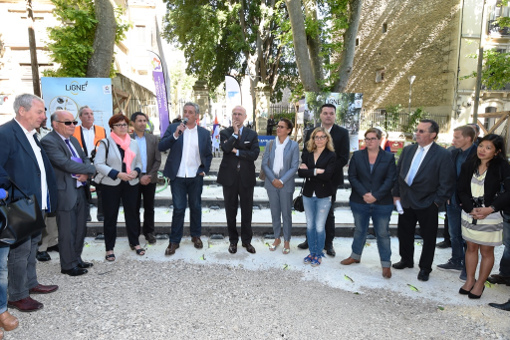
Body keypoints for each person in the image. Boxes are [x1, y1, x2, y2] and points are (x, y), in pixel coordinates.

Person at [0, 93, 58, 314]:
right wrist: (8, 193)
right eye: (40, 111)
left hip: (37, 201)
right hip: (20, 203)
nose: (44, 116)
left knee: (33, 245)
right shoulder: (6, 133)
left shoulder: (32, 135)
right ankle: (17, 295)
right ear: (22, 111)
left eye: (43, 112)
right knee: (20, 251)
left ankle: (30, 283)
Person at [392, 119, 455, 281]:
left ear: (433, 135)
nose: (417, 133)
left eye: (421, 131)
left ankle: (425, 267)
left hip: (428, 203)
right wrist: (396, 194)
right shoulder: (407, 150)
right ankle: (406, 260)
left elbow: (447, 181)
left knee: (428, 237)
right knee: (404, 232)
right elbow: (398, 174)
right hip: (405, 201)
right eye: (417, 130)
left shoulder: (443, 154)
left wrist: (436, 202)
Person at [41, 111, 97, 276]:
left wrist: (87, 172)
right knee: (67, 230)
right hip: (65, 193)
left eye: (73, 122)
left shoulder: (73, 139)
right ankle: (67, 265)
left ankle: (76, 259)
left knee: (80, 228)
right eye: (68, 122)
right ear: (55, 124)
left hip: (80, 189)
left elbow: (84, 158)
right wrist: (92, 169)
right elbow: (65, 164)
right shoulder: (48, 141)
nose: (73, 125)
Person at [457, 134, 510, 299]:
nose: (483, 150)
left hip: (491, 215)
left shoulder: (502, 166)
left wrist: (490, 209)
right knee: (471, 248)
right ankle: (470, 280)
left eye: (488, 148)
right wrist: (470, 208)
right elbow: (461, 190)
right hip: (470, 214)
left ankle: (480, 284)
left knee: (486, 250)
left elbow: (508, 192)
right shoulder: (469, 164)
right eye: (481, 146)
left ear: (497, 151)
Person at [341, 128, 396, 278]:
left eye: (373, 138)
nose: (369, 141)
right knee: (359, 230)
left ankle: (386, 264)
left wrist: (376, 196)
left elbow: (390, 179)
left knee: (383, 233)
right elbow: (352, 176)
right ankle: (355, 255)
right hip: (360, 201)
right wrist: (365, 194)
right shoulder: (357, 156)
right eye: (367, 138)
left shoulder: (388, 157)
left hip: (382, 203)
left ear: (379, 140)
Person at [158, 103, 212, 255]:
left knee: (195, 207)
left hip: (195, 176)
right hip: (178, 176)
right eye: (185, 112)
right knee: (179, 208)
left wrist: (204, 170)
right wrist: (175, 135)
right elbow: (161, 146)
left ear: (197, 116)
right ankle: (174, 241)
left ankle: (196, 236)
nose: (187, 114)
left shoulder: (204, 133)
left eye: (190, 112)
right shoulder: (173, 128)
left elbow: (208, 155)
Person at [298, 104, 349, 256]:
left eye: (331, 113)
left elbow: (344, 157)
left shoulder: (342, 133)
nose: (328, 116)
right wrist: (313, 171)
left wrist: (327, 169)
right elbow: (304, 156)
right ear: (320, 115)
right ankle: (310, 240)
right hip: (311, 181)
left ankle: (328, 243)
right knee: (311, 212)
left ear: (335, 115)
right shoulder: (311, 132)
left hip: (330, 180)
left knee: (328, 213)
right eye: (325, 113)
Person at [94, 114, 143, 261]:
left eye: (125, 125)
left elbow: (139, 163)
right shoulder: (105, 143)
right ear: (112, 128)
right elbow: (99, 164)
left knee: (133, 215)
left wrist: (136, 171)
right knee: (110, 216)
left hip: (131, 183)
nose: (123, 127)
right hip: (111, 184)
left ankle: (135, 242)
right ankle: (109, 248)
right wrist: (117, 174)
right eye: (119, 125)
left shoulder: (133, 143)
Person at [217, 105, 260, 254]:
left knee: (247, 211)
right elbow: (226, 149)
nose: (236, 116)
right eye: (234, 114)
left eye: (239, 114)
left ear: (245, 116)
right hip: (229, 178)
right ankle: (233, 241)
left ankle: (246, 241)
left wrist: (237, 151)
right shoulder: (225, 132)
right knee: (231, 211)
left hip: (246, 178)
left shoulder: (252, 134)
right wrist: (235, 135)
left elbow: (254, 154)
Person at [437, 126, 476, 280]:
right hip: (452, 200)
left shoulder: (477, 154)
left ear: (468, 138)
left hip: (468, 203)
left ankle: (468, 268)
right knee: (454, 234)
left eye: (457, 137)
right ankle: (456, 260)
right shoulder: (453, 153)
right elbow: (447, 175)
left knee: (469, 238)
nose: (453, 140)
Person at [298, 127, 336, 266]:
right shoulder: (308, 154)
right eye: (316, 137)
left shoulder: (331, 155)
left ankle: (319, 253)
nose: (319, 139)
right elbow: (300, 173)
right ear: (312, 139)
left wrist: (309, 171)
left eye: (322, 137)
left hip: (324, 195)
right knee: (310, 226)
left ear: (327, 139)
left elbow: (327, 176)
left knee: (320, 226)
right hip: (308, 194)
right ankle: (312, 252)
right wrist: (316, 171)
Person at [261, 118, 299, 254]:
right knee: (275, 212)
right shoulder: (270, 144)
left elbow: (295, 166)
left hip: (286, 185)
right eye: (278, 126)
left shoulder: (293, 146)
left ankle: (287, 240)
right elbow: (264, 163)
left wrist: (281, 180)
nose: (278, 129)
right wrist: (273, 179)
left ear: (288, 130)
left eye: (282, 127)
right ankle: (277, 238)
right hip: (271, 184)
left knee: (286, 213)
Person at [130, 112, 161, 245]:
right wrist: (138, 176)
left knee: (149, 207)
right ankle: (134, 234)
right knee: (133, 207)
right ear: (133, 123)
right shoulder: (128, 139)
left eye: (144, 120)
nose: (143, 123)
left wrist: (148, 175)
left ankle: (149, 232)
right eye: (139, 121)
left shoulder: (153, 139)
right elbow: (126, 161)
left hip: (149, 178)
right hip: (133, 178)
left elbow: (157, 160)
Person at [73, 106, 107, 221]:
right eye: (86, 114)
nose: (89, 116)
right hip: (81, 165)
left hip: (99, 164)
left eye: (91, 114)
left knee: (101, 191)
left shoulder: (101, 130)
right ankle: (86, 215)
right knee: (84, 192)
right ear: (80, 117)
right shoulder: (74, 130)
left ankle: (101, 215)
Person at [35, 117, 59, 262]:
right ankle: (41, 247)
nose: (42, 117)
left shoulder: (47, 132)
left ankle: (52, 241)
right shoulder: (28, 135)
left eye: (43, 113)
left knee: (52, 211)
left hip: (51, 175)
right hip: (37, 178)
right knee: (41, 213)